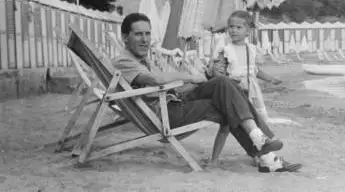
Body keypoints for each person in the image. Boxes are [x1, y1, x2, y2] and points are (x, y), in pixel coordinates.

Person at [112, 12, 301, 173]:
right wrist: (190, 77)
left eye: (147, 34)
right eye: (138, 35)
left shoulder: (144, 60)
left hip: (174, 100)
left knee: (225, 83)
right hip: (165, 114)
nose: (145, 40)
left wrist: (203, 76)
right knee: (227, 103)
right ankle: (266, 153)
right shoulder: (124, 62)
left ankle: (261, 142)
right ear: (125, 37)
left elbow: (170, 87)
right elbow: (155, 81)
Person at [207, 10, 282, 164]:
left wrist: (271, 79)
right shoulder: (226, 50)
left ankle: (257, 156)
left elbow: (255, 71)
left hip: (251, 92)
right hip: (233, 93)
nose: (233, 30)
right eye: (231, 27)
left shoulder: (251, 49)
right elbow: (218, 71)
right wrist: (214, 68)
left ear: (248, 31)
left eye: (239, 27)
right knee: (225, 128)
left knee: (254, 124)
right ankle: (214, 159)